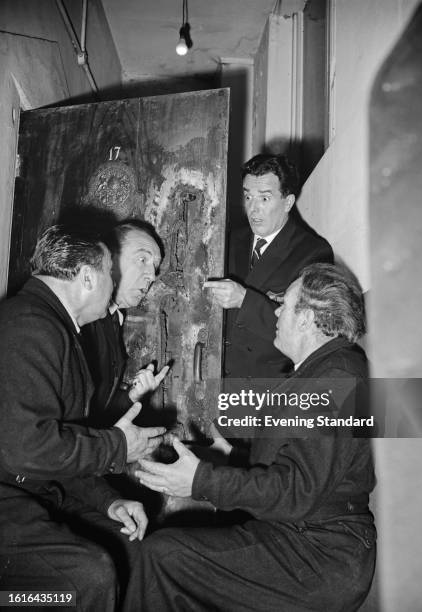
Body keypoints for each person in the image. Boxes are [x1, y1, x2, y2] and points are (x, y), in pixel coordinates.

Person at [124, 263, 376, 612]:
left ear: (306, 319)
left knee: (164, 556)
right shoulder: (322, 372)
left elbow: (297, 490)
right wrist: (232, 457)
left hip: (320, 553)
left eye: (284, 304)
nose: (275, 311)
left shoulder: (336, 376)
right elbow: (297, 469)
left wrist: (201, 481)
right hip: (303, 537)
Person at [0, 226, 165, 611]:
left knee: (135, 548)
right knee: (86, 576)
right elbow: (29, 449)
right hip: (10, 495)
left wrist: (109, 502)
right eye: (110, 272)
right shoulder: (30, 325)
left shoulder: (53, 326)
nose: (114, 283)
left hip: (37, 490)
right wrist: (119, 446)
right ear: (88, 277)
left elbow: (62, 447)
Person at [204, 154, 333, 379]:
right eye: (247, 196)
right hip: (217, 376)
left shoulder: (313, 252)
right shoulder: (231, 239)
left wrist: (245, 300)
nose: (253, 209)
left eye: (264, 199)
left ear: (288, 202)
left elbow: (307, 332)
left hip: (267, 386)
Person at [81, 220, 169, 427]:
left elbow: (97, 413)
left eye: (155, 266)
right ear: (108, 259)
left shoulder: (113, 319)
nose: (152, 275)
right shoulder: (81, 318)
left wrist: (133, 395)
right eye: (142, 259)